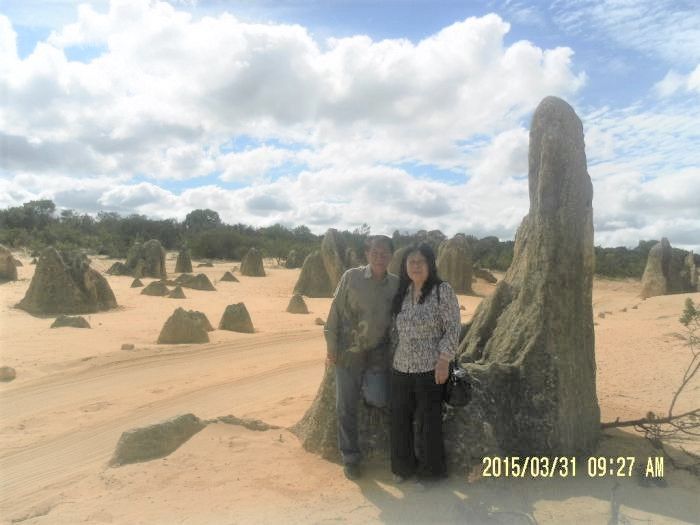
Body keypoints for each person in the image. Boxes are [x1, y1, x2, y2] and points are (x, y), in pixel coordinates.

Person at [325, 235, 399, 480]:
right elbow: (334, 311)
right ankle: (351, 458)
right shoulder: (351, 277)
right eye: (375, 252)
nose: (380, 257)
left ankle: (368, 390)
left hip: (377, 354)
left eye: (385, 253)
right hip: (348, 352)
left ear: (391, 256)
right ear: (367, 254)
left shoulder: (396, 284)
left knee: (379, 398)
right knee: (345, 406)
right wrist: (331, 346)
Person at [390, 243, 461, 483]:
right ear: (405, 266)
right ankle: (403, 468)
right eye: (411, 261)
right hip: (402, 365)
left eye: (421, 261)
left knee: (429, 421)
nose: (416, 266)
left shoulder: (442, 290)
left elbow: (453, 328)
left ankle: (430, 472)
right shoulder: (403, 291)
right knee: (399, 418)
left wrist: (444, 361)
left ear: (430, 264)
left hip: (431, 367)